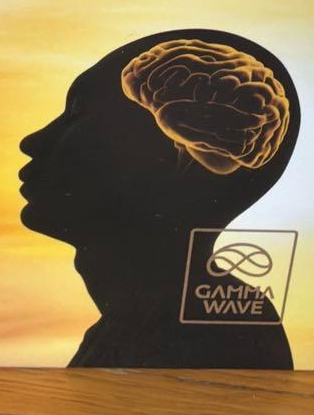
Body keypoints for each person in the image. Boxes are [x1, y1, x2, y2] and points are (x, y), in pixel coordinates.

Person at [19, 29, 299, 368]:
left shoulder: (204, 339)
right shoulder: (137, 330)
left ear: (170, 162)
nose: (32, 142)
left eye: (77, 114)